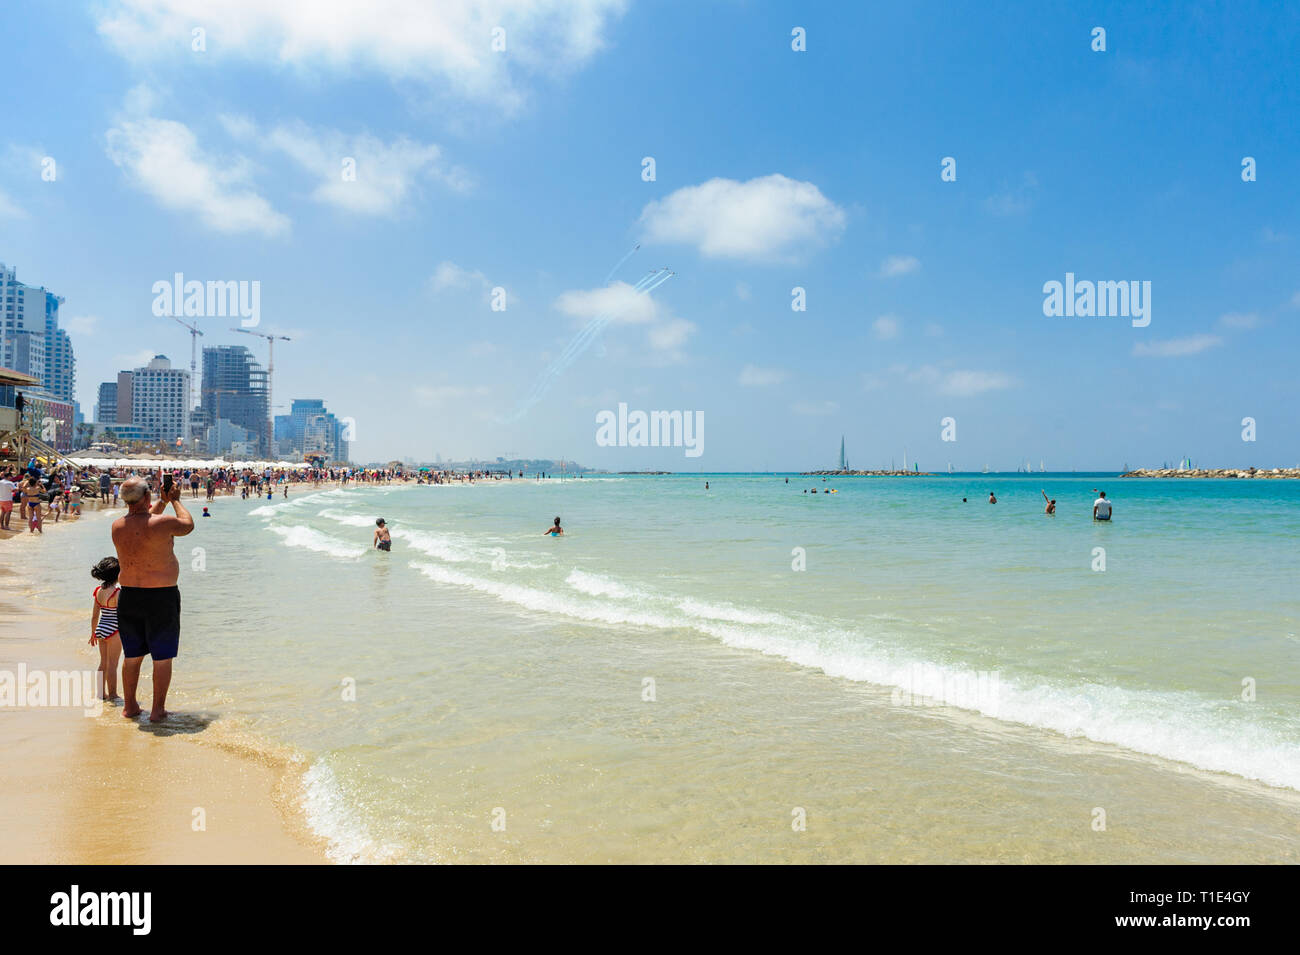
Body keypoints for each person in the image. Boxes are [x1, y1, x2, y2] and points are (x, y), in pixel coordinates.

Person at [111, 476, 194, 722]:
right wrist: (176, 501)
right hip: (161, 596)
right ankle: (157, 710)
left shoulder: (117, 525)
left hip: (129, 596)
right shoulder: (164, 523)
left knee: (132, 655)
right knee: (162, 657)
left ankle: (130, 706)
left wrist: (162, 502)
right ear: (147, 496)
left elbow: (144, 522)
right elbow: (187, 525)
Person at [89, 557, 123, 701]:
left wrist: (93, 633)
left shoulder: (98, 591)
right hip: (114, 630)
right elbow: (123, 616)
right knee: (113, 665)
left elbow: (94, 616)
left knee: (103, 663)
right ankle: (113, 694)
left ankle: (101, 694)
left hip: (101, 629)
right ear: (117, 575)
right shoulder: (117, 592)